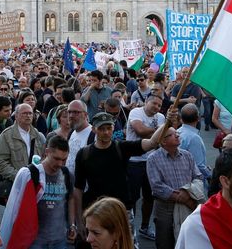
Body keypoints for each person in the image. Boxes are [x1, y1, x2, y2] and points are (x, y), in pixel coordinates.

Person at [74, 112, 164, 244]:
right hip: (97, 212)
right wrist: (79, 221)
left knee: (126, 244)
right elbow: (78, 189)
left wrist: (166, 122)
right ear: (93, 129)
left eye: (109, 128)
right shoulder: (84, 154)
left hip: (122, 211)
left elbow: (152, 142)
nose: (106, 132)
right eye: (101, 129)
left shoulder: (122, 147)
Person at [1, 135, 76, 249]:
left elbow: (70, 198)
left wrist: (72, 225)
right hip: (36, 241)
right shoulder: (31, 174)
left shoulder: (67, 174)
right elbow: (16, 208)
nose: (60, 164)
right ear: (47, 152)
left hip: (60, 240)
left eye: (64, 159)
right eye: (56, 158)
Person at [146, 126, 203, 249]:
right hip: (165, 208)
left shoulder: (187, 155)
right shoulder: (153, 159)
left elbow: (198, 177)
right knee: (165, 242)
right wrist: (184, 198)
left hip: (186, 207)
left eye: (177, 133)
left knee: (187, 241)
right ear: (163, 141)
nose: (177, 135)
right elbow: (157, 186)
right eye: (172, 134)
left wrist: (188, 195)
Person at [125, 92, 165, 240]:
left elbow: (162, 137)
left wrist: (160, 132)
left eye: (159, 105)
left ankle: (144, 227)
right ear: (146, 101)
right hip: (134, 161)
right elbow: (140, 131)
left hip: (152, 162)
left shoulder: (160, 117)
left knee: (149, 197)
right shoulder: (136, 112)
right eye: (154, 103)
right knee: (132, 198)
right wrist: (159, 131)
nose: (157, 107)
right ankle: (129, 229)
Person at [0, 103, 46, 184]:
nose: (28, 116)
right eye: (24, 113)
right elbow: (1, 163)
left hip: (36, 183)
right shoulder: (6, 135)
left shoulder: (39, 136)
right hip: (15, 183)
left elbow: (44, 159)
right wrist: (19, 176)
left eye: (30, 113)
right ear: (16, 116)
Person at [177, 103, 211, 184]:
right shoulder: (193, 138)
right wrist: (209, 176)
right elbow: (199, 165)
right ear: (198, 118)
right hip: (192, 181)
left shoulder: (177, 132)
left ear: (181, 118)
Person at [66, 100, 94, 175]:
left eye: (76, 112)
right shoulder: (71, 132)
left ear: (85, 115)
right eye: (69, 112)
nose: (71, 115)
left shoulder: (93, 134)